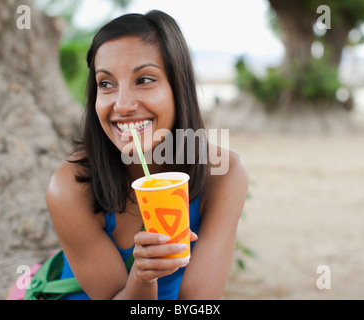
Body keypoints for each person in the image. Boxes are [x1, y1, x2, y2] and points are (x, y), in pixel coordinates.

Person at [46, 10, 249, 300]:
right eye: (106, 84)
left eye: (144, 80)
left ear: (177, 88)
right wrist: (143, 277)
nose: (123, 104)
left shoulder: (223, 173)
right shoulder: (70, 186)